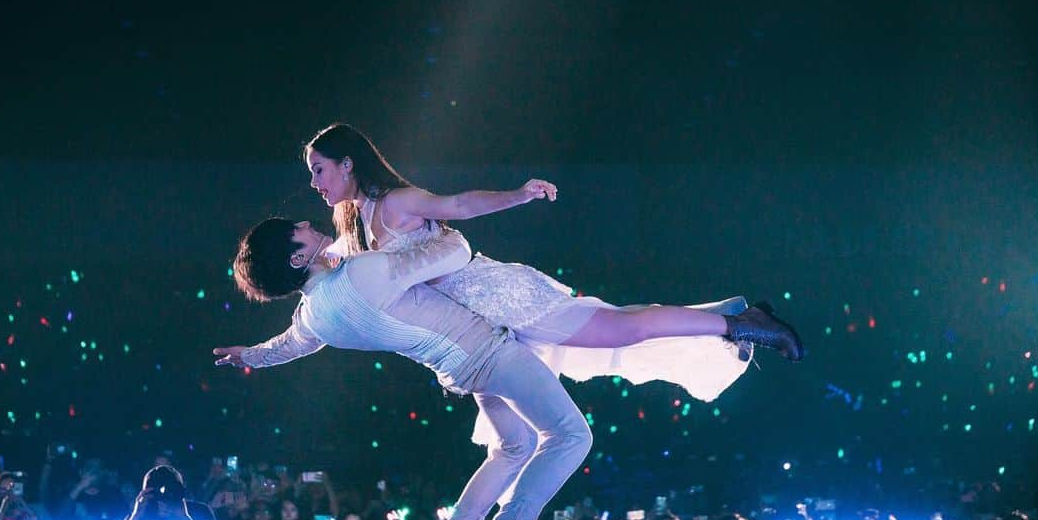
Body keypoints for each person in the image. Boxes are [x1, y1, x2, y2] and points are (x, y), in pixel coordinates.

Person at [302, 123, 803, 444]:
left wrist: (518, 195)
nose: (315, 183)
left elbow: (458, 206)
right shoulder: (364, 223)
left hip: (499, 300)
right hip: (483, 325)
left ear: (347, 163)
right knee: (613, 337)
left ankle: (742, 324)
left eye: (319, 169)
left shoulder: (395, 202)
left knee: (625, 330)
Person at [215, 220, 590, 520]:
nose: (305, 222)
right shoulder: (360, 271)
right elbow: (455, 251)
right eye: (295, 230)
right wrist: (430, 223)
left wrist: (249, 356)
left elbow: (287, 346)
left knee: (515, 446)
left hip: (459, 370)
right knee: (571, 436)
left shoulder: (313, 317)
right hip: (490, 354)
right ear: (296, 259)